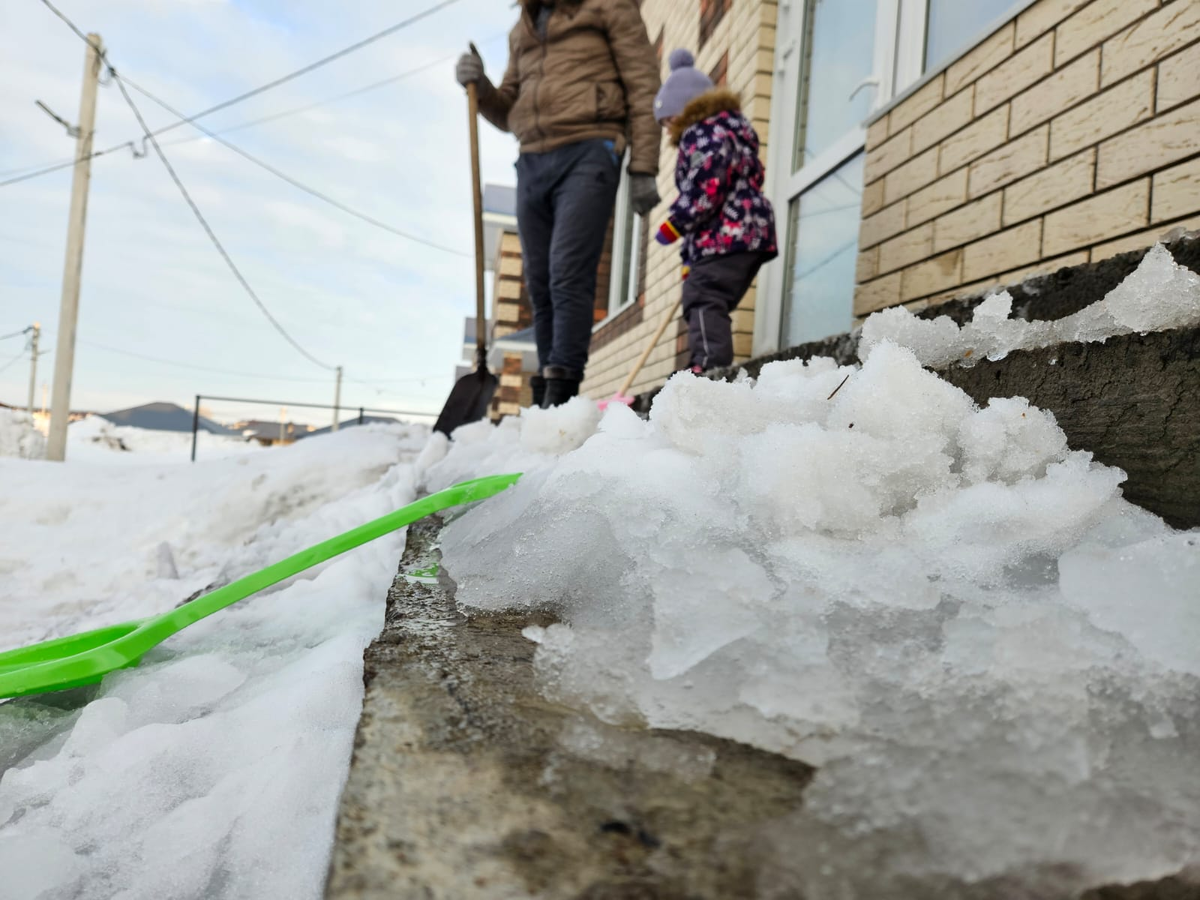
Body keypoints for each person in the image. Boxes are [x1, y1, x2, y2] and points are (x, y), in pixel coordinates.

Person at [456, 1, 662, 408]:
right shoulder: (526, 24)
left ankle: (562, 390)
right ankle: (546, 398)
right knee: (539, 282)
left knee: (568, 271)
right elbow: (509, 107)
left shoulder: (609, 5)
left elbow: (643, 82)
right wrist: (480, 87)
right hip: (532, 157)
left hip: (591, 147)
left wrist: (644, 167)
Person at [652, 49, 777, 373]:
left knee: (704, 295)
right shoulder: (730, 131)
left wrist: (675, 224)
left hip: (730, 235)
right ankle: (706, 360)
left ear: (686, 109)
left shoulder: (704, 133)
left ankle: (709, 366)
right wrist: (691, 263)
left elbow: (706, 186)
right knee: (708, 294)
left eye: (668, 121)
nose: (668, 131)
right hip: (745, 233)